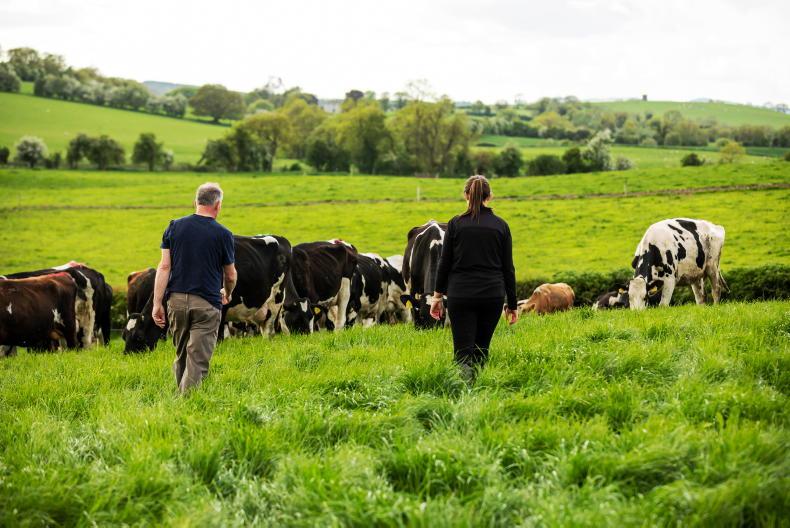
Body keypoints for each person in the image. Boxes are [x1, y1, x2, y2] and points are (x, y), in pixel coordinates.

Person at [431, 175, 518, 382]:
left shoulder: (455, 224)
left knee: (462, 352)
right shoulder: (501, 226)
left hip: (461, 295)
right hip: (492, 295)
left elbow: (444, 264)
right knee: (481, 349)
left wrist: (436, 297)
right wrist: (512, 304)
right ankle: (481, 390)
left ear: (466, 196)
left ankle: (462, 393)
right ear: (490, 196)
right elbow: (509, 269)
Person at [152, 182, 237, 393]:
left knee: (182, 354)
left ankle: (179, 399)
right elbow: (231, 274)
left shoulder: (174, 226)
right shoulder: (223, 234)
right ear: (217, 205)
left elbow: (163, 267)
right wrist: (228, 291)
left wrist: (157, 303)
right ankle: (186, 407)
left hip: (176, 302)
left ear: (196, 202)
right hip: (207, 304)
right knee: (197, 360)